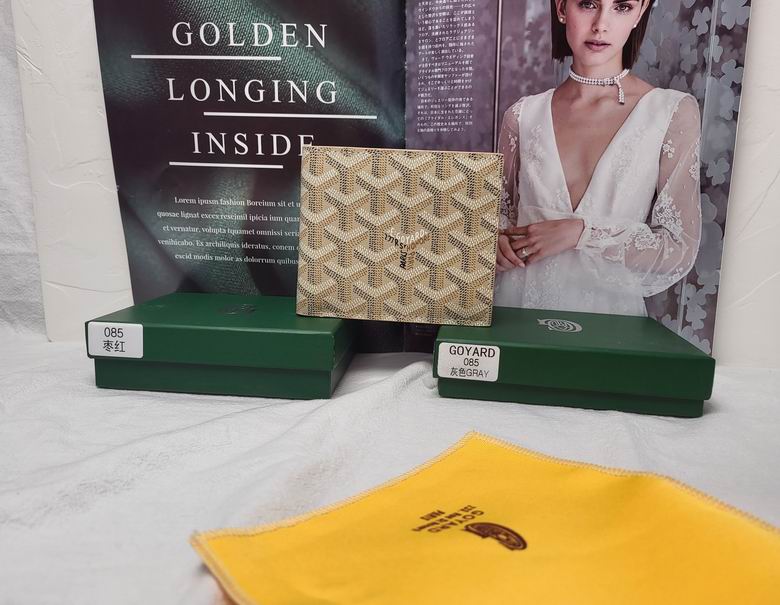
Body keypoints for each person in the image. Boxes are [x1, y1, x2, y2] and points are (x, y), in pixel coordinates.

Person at [494, 0, 702, 316]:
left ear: (640, 12)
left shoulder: (671, 113)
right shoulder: (522, 116)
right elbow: (496, 220)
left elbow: (678, 249)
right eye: (588, 4)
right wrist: (493, 243)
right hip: (515, 311)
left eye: (622, 7)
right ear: (561, 8)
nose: (601, 25)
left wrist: (581, 233)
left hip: (609, 322)